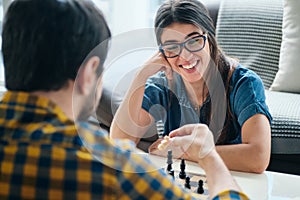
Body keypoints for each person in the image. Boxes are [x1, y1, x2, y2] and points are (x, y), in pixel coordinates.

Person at [0, 0, 249, 199]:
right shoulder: (112, 169)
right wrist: (209, 157)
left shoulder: (241, 81)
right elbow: (119, 139)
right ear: (89, 74)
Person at [111, 0, 272, 174]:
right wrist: (140, 76)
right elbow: (119, 142)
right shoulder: (162, 85)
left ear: (209, 37)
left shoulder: (244, 83)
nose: (185, 56)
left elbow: (258, 157)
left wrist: (183, 151)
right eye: (172, 47)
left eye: (194, 41)